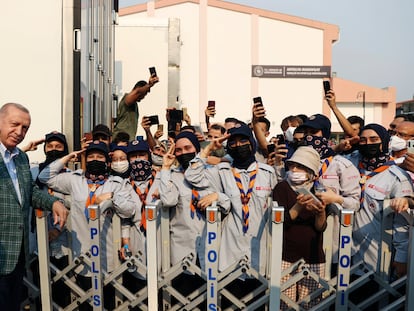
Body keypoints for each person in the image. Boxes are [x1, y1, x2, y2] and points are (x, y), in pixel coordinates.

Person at [38, 140, 136, 310]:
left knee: (109, 303)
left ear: (107, 161)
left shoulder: (116, 183)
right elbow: (44, 176)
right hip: (82, 255)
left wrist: (112, 196)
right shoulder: (75, 179)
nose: (95, 160)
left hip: (108, 257)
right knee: (84, 303)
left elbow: (129, 211)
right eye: (91, 157)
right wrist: (68, 157)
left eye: (99, 157)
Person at [185, 124, 276, 305]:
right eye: (232, 143)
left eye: (243, 141)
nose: (238, 145)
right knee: (229, 304)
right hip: (230, 254)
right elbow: (192, 175)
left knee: (257, 305)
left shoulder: (268, 173)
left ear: (251, 143)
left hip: (260, 255)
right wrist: (209, 148)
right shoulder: (222, 171)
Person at [0, 103, 68, 311]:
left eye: (25, 128)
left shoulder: (21, 158)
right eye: (14, 124)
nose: (19, 132)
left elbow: (29, 192)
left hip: (17, 254)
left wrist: (54, 202)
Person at [158, 131, 230, 301]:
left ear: (197, 150)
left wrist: (217, 196)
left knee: (210, 301)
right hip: (183, 250)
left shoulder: (213, 172)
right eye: (179, 150)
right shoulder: (172, 176)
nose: (183, 153)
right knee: (183, 300)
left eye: (188, 148)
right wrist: (166, 168)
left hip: (211, 247)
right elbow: (168, 199)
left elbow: (229, 203)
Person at [273, 146, 327, 309]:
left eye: (300, 166)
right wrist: (298, 205)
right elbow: (282, 222)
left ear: (311, 171)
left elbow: (320, 227)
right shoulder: (282, 188)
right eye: (292, 165)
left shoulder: (320, 190)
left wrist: (320, 212)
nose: (294, 169)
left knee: (311, 303)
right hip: (285, 257)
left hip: (314, 257)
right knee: (284, 304)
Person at [113, 75, 159, 140]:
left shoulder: (134, 104)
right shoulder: (127, 99)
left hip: (128, 140)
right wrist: (149, 85)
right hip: (120, 140)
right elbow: (138, 91)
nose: (143, 97)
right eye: (144, 94)